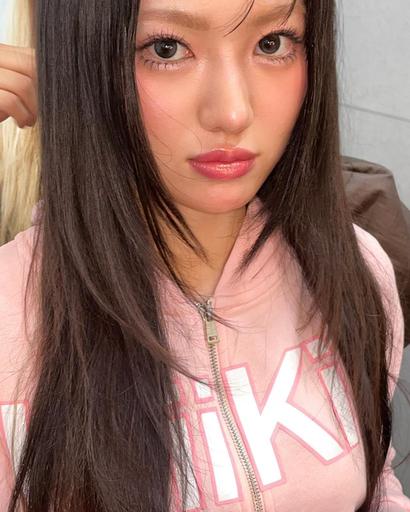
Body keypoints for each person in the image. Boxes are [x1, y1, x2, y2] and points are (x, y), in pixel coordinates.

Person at [0, 0, 409, 511]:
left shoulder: (357, 268)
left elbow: (376, 485)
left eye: (272, 43)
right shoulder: (12, 326)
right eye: (166, 49)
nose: (232, 113)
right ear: (83, 61)